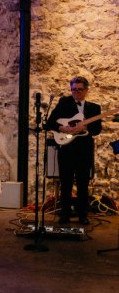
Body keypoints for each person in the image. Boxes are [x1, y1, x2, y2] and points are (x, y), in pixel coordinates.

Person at [46, 76, 101, 225]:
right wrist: (62, 128)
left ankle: (83, 215)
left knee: (83, 183)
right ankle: (64, 214)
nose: (76, 92)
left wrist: (86, 127)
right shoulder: (64, 103)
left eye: (79, 89)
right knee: (66, 183)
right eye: (73, 89)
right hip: (67, 149)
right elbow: (49, 122)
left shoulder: (95, 108)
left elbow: (97, 130)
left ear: (86, 90)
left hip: (84, 150)